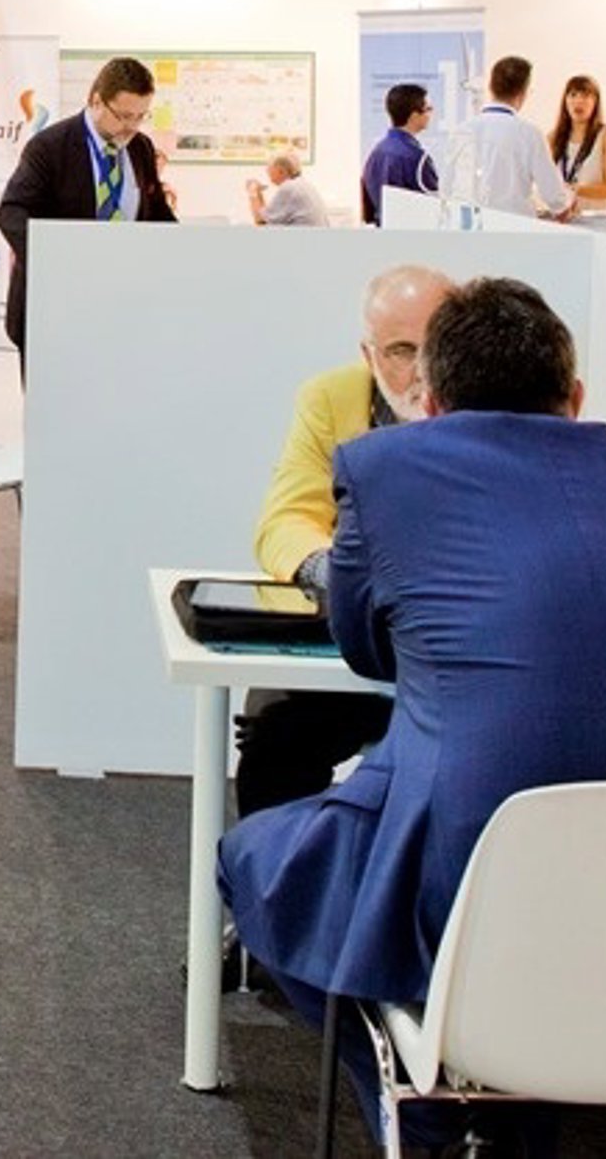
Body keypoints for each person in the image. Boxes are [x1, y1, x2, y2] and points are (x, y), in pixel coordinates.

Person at [219, 277, 606, 1149]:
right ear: (577, 395)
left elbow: (365, 649)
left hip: (468, 871)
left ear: (430, 400)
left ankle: (425, 1112)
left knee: (252, 860)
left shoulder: (384, 469)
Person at [237, 265, 453, 818]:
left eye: (436, 346)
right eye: (402, 351)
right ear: (369, 354)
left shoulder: (492, 399)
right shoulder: (331, 399)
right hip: (357, 638)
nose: (422, 370)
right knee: (275, 733)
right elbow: (286, 520)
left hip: (458, 649)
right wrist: (342, 575)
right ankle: (281, 871)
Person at [0, 57, 177, 374]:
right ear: (96, 101)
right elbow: (12, 212)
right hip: (55, 309)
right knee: (55, 401)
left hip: (120, 306)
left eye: (140, 116)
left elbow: (157, 213)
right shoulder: (49, 147)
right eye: (123, 116)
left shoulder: (141, 148)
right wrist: (58, 263)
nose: (132, 127)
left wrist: (182, 252)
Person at [462, 55, 574, 218]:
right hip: (516, 225)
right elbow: (553, 195)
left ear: (491, 87)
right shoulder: (529, 134)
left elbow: (451, 187)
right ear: (524, 91)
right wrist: (565, 204)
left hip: (472, 223)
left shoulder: (463, 130)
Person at [358, 83, 438, 226]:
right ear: (414, 116)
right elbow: (435, 206)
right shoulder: (416, 157)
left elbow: (368, 210)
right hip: (411, 233)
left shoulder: (376, 152)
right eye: (428, 109)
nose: (430, 114)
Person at [547, 74, 606, 209]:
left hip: (600, 217)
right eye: (573, 95)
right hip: (563, 217)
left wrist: (574, 190)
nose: (578, 101)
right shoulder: (552, 138)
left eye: (585, 96)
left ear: (595, 102)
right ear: (565, 101)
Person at [246, 150, 330, 228]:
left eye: (269, 168)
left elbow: (260, 221)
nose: (267, 172)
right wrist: (258, 193)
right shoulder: (302, 184)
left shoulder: (289, 188)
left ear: (281, 171)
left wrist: (252, 191)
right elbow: (266, 218)